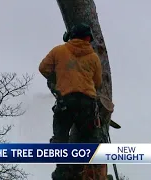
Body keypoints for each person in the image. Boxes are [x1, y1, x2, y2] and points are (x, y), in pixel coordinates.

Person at [39, 23, 103, 180]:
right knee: (89, 139)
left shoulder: (59, 51)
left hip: (65, 102)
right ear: (88, 38)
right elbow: (98, 82)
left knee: (60, 137)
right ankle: (87, 170)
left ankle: (63, 171)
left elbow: (43, 68)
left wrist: (58, 77)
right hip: (87, 104)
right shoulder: (94, 57)